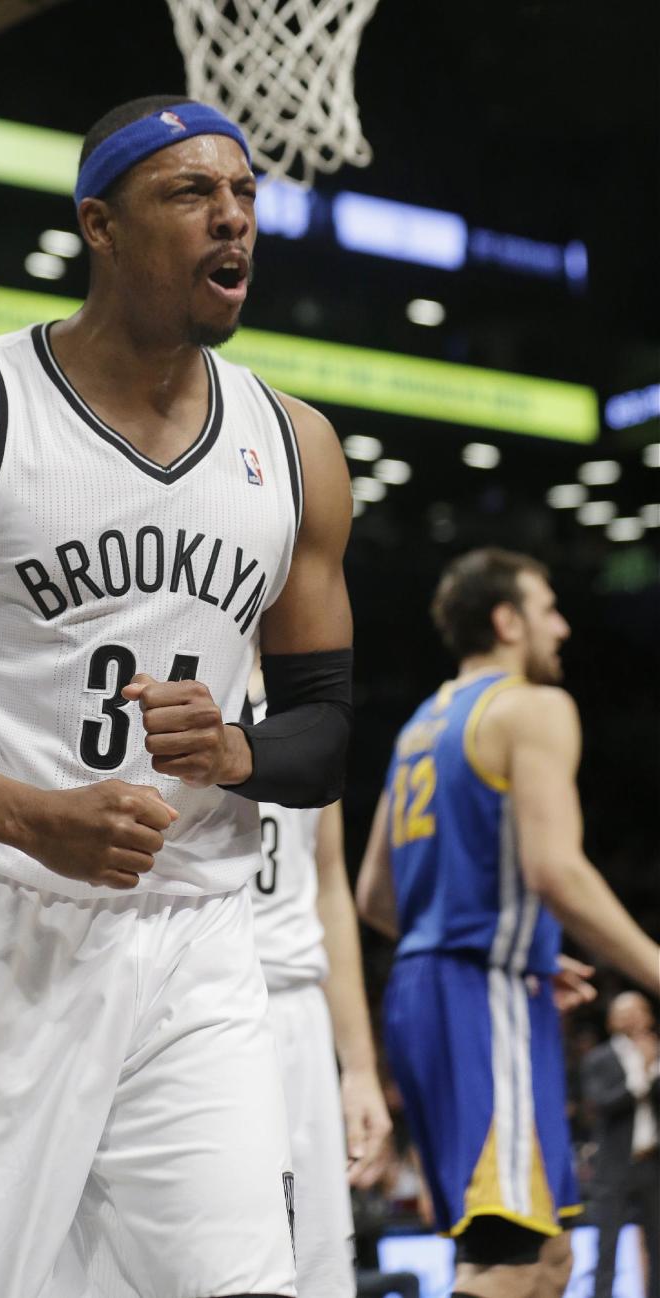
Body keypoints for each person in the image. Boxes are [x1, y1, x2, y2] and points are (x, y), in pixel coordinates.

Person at [0, 94, 354, 1298]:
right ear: (100, 222)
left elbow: (326, 731)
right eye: (192, 194)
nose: (232, 218)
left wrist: (238, 753)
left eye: (244, 194)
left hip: (196, 938)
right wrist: (27, 814)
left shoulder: (296, 448)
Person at [355, 547, 660, 1298]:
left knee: (545, 1255)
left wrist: (501, 941)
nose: (560, 626)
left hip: (425, 994)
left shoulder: (421, 724)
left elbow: (374, 898)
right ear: (506, 620)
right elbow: (557, 871)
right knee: (506, 1266)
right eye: (547, 607)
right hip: (477, 1003)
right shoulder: (533, 706)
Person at [247, 665, 390, 1297]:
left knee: (316, 1269)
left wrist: (359, 1067)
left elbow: (328, 886)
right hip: (190, 992)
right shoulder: (161, 654)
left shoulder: (307, 706)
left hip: (295, 1009)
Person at [581, 992, 659, 1298]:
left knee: (657, 1244)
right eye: (623, 1012)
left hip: (652, 1163)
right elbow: (601, 1103)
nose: (632, 1018)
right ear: (612, 1020)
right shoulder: (599, 1058)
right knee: (607, 1245)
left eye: (638, 1010)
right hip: (613, 1166)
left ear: (650, 1015)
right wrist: (642, 1073)